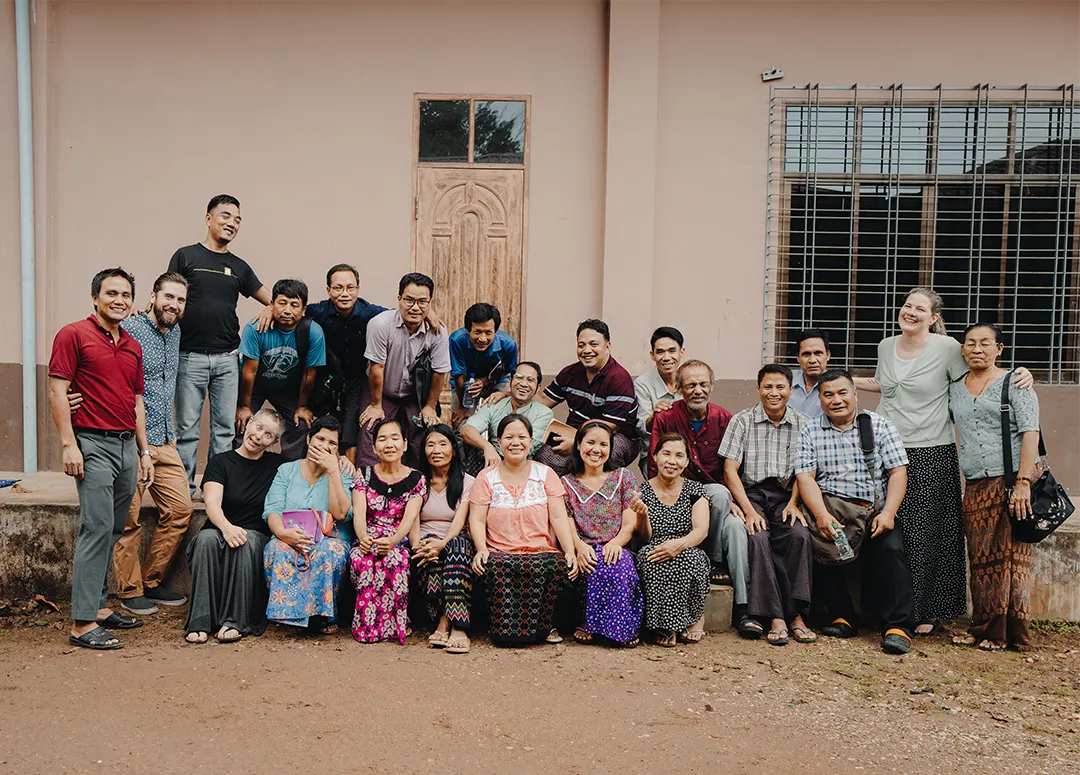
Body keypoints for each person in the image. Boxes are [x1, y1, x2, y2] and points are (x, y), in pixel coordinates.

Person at [855, 288, 1034, 635]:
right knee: (886, 530)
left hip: (931, 449)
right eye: (907, 305)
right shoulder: (885, 345)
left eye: (919, 308)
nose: (910, 312)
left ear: (934, 317)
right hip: (886, 448)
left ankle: (923, 611)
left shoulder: (949, 347)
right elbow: (886, 385)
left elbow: (980, 369)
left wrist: (1020, 373)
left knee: (926, 534)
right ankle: (883, 607)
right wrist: (845, 382)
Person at [48, 268, 154, 650]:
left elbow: (137, 402)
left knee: (112, 528)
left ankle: (98, 607)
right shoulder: (73, 334)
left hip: (127, 446)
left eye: (126, 294)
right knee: (95, 528)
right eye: (111, 293)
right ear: (95, 297)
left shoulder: (132, 345)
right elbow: (58, 392)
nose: (119, 300)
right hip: (91, 444)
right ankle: (81, 624)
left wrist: (144, 453)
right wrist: (68, 444)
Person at [795, 368, 914, 655]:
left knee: (891, 549)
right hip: (831, 510)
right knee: (818, 546)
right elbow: (806, 476)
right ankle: (842, 616)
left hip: (874, 511)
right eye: (828, 395)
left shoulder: (879, 426)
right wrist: (821, 515)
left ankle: (897, 626)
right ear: (820, 399)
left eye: (842, 393)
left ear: (855, 394)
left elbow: (898, 472)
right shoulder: (810, 429)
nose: (836, 400)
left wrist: (888, 513)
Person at [170, 194, 272, 494]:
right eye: (226, 216)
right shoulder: (186, 256)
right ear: (208, 218)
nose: (232, 223)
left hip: (228, 358)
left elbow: (272, 299)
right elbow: (169, 293)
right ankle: (184, 489)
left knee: (224, 430)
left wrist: (268, 308)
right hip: (189, 356)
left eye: (238, 219)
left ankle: (215, 487)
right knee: (187, 429)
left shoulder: (239, 266)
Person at [949, 324, 1040, 652]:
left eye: (985, 343)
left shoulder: (1015, 382)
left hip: (1012, 480)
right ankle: (981, 627)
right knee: (981, 558)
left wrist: (1023, 483)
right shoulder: (956, 387)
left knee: (1011, 558)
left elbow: (1031, 431)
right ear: (962, 350)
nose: (977, 349)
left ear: (998, 349)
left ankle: (1006, 633)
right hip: (976, 484)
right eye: (970, 344)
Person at [647, 360, 753, 635]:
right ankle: (711, 559)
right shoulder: (666, 417)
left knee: (729, 515)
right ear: (679, 388)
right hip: (678, 496)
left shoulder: (724, 418)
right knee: (716, 495)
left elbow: (733, 467)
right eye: (691, 385)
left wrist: (736, 503)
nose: (698, 390)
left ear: (712, 386)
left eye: (703, 384)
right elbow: (653, 465)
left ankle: (741, 604)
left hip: (716, 500)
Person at [109, 273, 193, 615]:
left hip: (165, 439)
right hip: (131, 440)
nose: (174, 305)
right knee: (128, 520)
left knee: (180, 510)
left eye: (180, 300)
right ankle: (129, 591)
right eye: (168, 297)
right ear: (153, 296)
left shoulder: (175, 332)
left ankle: (152, 580)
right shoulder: (129, 329)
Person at [719, 364, 815, 646]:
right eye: (768, 387)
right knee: (758, 538)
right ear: (759, 389)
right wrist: (748, 509)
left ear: (789, 390)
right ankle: (775, 616)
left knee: (798, 536)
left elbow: (805, 470)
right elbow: (730, 470)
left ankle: (797, 614)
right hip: (752, 494)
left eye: (780, 387)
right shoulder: (742, 420)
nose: (774, 393)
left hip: (786, 495)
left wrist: (795, 503)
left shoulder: (803, 423)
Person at [470, 414, 580, 646]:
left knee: (558, 566)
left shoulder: (546, 474)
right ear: (499, 442)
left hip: (541, 550)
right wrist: (481, 549)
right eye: (509, 437)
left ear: (531, 442)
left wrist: (569, 550)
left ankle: (546, 627)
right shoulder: (486, 477)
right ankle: (503, 628)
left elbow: (559, 516)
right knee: (496, 568)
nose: (516, 442)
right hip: (501, 552)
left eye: (522, 437)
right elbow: (478, 520)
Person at [184, 408, 285, 644]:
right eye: (258, 427)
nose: (259, 436)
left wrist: (341, 459)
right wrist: (226, 528)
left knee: (245, 541)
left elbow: (309, 467)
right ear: (249, 423)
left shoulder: (278, 465)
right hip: (220, 527)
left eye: (268, 435)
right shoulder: (221, 462)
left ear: (274, 442)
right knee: (206, 540)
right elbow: (211, 504)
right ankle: (199, 622)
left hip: (255, 536)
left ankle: (236, 621)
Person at [263, 416, 354, 633]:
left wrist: (333, 471)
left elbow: (341, 513)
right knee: (276, 548)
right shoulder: (287, 470)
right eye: (320, 439)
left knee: (327, 552)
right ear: (309, 439)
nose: (325, 446)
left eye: (332, 443)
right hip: (290, 535)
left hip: (330, 539)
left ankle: (322, 617)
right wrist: (284, 534)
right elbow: (272, 510)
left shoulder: (344, 473)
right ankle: (289, 615)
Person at [561, 421, 643, 647]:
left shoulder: (623, 478)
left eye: (603, 444)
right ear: (578, 445)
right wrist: (579, 547)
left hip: (616, 544)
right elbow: (567, 523)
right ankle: (589, 624)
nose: (596, 450)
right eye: (590, 442)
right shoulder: (566, 483)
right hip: (584, 546)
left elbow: (629, 524)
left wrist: (616, 543)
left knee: (618, 566)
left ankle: (621, 630)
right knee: (589, 565)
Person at [359, 272, 451, 466]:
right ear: (399, 299)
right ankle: (368, 487)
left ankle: (419, 486)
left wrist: (430, 406)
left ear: (430, 303)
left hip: (415, 394)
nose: (415, 307)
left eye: (422, 302)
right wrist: (376, 405)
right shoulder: (380, 325)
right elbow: (377, 367)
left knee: (423, 433)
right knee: (370, 428)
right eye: (409, 300)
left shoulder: (438, 331)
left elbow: (439, 371)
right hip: (380, 390)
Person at [350, 417, 428, 644]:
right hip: (368, 537)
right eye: (382, 439)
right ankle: (366, 626)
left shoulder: (417, 478)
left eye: (395, 438)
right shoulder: (363, 474)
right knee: (362, 559)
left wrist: (393, 540)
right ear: (374, 448)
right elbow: (359, 512)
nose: (389, 444)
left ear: (404, 444)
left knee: (394, 559)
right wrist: (363, 538)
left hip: (398, 540)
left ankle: (395, 626)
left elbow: (410, 516)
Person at [304, 264, 387, 464]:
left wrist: (429, 314)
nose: (345, 294)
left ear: (357, 289)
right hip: (326, 378)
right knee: (321, 425)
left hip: (357, 378)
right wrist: (270, 309)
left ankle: (348, 477)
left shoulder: (370, 313)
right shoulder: (317, 311)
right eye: (338, 288)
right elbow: (290, 311)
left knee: (352, 425)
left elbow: (400, 316)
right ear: (328, 290)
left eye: (350, 288)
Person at [236, 278, 326, 461]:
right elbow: (249, 372)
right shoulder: (256, 328)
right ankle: (239, 468)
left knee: (301, 425)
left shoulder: (313, 332)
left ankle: (287, 471)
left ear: (303, 310)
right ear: (271, 304)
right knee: (240, 424)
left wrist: (301, 406)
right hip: (255, 386)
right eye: (282, 303)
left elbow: (310, 375)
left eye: (294, 305)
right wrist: (244, 406)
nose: (287, 311)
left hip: (288, 389)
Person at [536, 319, 640, 474]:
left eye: (594, 344)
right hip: (574, 431)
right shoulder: (570, 373)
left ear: (607, 347)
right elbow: (543, 400)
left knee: (604, 456)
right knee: (543, 456)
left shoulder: (619, 378)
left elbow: (609, 426)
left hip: (616, 437)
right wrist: (511, 399)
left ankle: (603, 497)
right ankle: (560, 497)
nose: (587, 350)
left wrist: (577, 443)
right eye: (581, 345)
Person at [636, 433, 711, 648]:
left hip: (687, 544)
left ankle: (695, 618)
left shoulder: (696, 489)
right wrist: (641, 514)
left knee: (688, 560)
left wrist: (679, 545)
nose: (671, 461)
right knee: (652, 559)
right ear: (655, 456)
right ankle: (666, 626)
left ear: (687, 461)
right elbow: (643, 538)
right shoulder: (642, 491)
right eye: (666, 454)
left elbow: (701, 530)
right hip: (654, 545)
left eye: (679, 456)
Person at [411, 425, 475, 653]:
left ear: (454, 450)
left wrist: (442, 544)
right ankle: (446, 619)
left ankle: (453, 624)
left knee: (456, 547)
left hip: (457, 541)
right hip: (425, 542)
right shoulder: (417, 481)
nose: (436, 450)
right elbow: (413, 520)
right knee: (430, 552)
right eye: (430, 444)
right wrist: (418, 545)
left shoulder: (468, 482)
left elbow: (459, 522)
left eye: (442, 444)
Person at [460, 361, 554, 474]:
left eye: (530, 380)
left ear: (538, 388)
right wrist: (487, 447)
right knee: (468, 445)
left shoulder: (544, 413)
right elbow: (467, 430)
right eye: (519, 378)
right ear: (510, 382)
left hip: (525, 464)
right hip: (493, 459)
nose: (524, 384)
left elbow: (527, 447)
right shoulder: (494, 404)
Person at [449, 303, 518, 425]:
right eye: (477, 332)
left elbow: (509, 370)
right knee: (462, 425)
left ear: (495, 331)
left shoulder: (508, 344)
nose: (482, 338)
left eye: (488, 332)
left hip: (497, 382)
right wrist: (463, 407)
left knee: (500, 424)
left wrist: (484, 381)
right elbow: (458, 375)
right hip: (465, 384)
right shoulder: (457, 340)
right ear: (467, 330)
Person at [634, 327, 685, 438]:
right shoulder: (642, 384)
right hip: (655, 451)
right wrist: (653, 418)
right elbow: (640, 428)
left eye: (672, 351)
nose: (666, 358)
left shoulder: (689, 382)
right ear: (652, 355)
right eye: (660, 352)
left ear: (681, 352)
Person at [788, 329, 831, 418]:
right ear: (798, 358)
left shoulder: (838, 385)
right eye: (806, 354)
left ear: (828, 355)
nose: (812, 360)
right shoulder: (785, 381)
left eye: (818, 353)